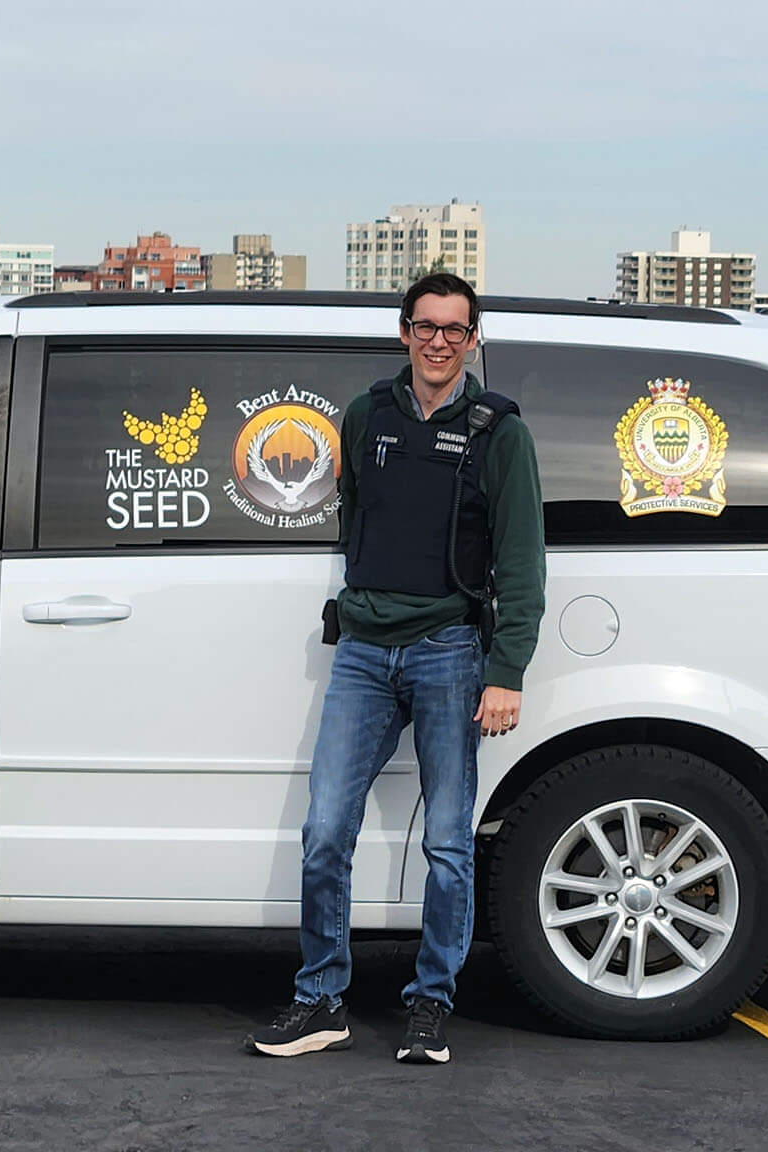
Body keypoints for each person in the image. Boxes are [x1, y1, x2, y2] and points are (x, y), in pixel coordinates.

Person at [245, 274, 546, 1066]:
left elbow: (522, 561)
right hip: (365, 654)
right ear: (404, 332)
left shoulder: (499, 432)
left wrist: (506, 668)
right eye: (425, 326)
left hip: (451, 651)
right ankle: (320, 1000)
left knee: (447, 842)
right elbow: (354, 515)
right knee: (323, 832)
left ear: (473, 337)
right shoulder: (366, 414)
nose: (438, 340)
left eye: (454, 328)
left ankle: (431, 1004)